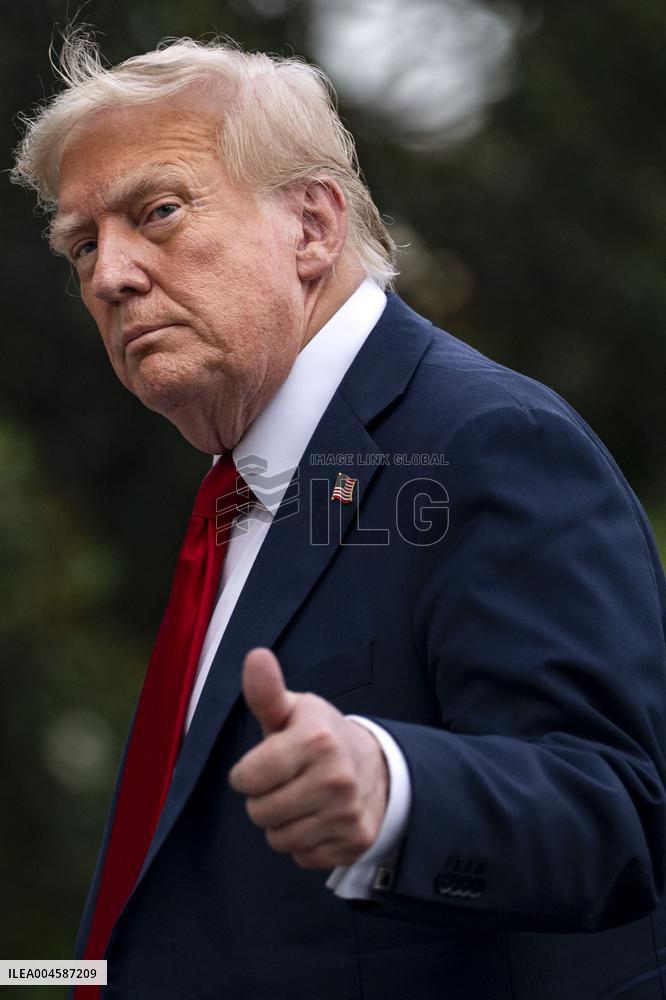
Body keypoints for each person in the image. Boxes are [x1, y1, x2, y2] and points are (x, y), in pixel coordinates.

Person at [12, 30, 666, 1000]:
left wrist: (393, 785)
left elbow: (621, 811)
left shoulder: (484, 440)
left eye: (156, 212)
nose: (110, 274)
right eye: (83, 243)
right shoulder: (241, 494)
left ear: (312, 226)